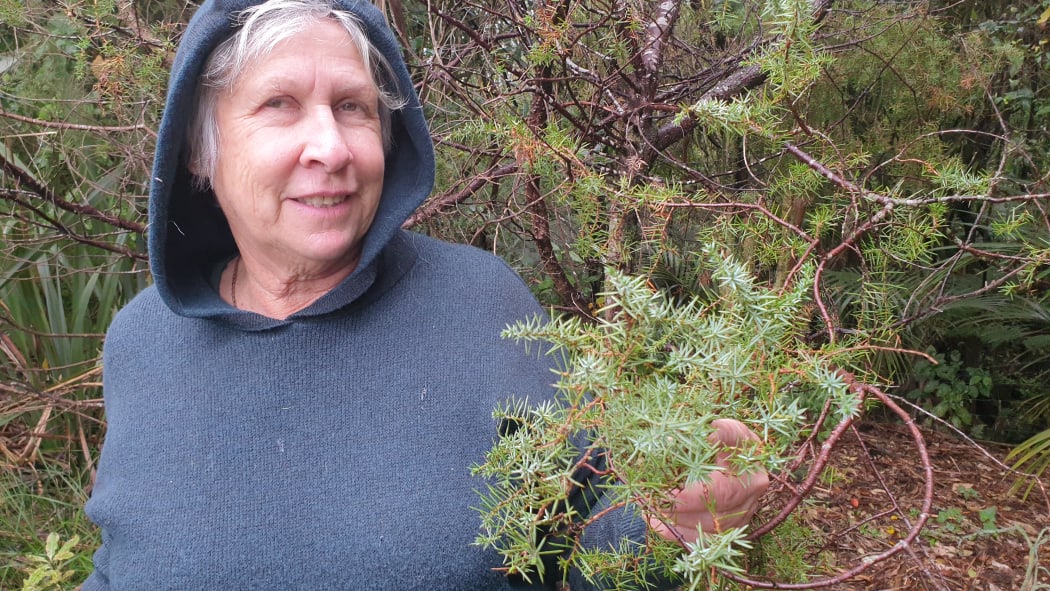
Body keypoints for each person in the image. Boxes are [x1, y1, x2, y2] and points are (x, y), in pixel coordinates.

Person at [82, 0, 768, 589]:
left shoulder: (482, 305)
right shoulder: (143, 340)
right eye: (279, 105)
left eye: (351, 106)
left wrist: (670, 527)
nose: (331, 146)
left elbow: (586, 540)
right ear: (200, 150)